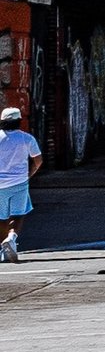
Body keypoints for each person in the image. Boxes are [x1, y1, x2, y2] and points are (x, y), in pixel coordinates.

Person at [0, 102, 41, 263]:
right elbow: (38, 160)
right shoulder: (27, 138)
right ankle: (12, 237)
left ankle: (3, 250)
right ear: (19, 121)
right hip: (20, 183)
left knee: (1, 218)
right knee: (18, 214)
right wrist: (29, 174)